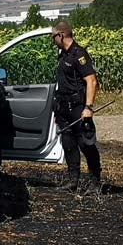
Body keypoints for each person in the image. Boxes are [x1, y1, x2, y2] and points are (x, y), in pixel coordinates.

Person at [51, 21, 103, 191]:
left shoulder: (79, 54)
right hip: (64, 106)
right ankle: (73, 180)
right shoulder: (63, 54)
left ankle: (95, 181)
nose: (53, 41)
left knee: (85, 144)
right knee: (68, 143)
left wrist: (88, 107)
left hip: (78, 106)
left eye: (53, 37)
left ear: (61, 35)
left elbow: (91, 80)